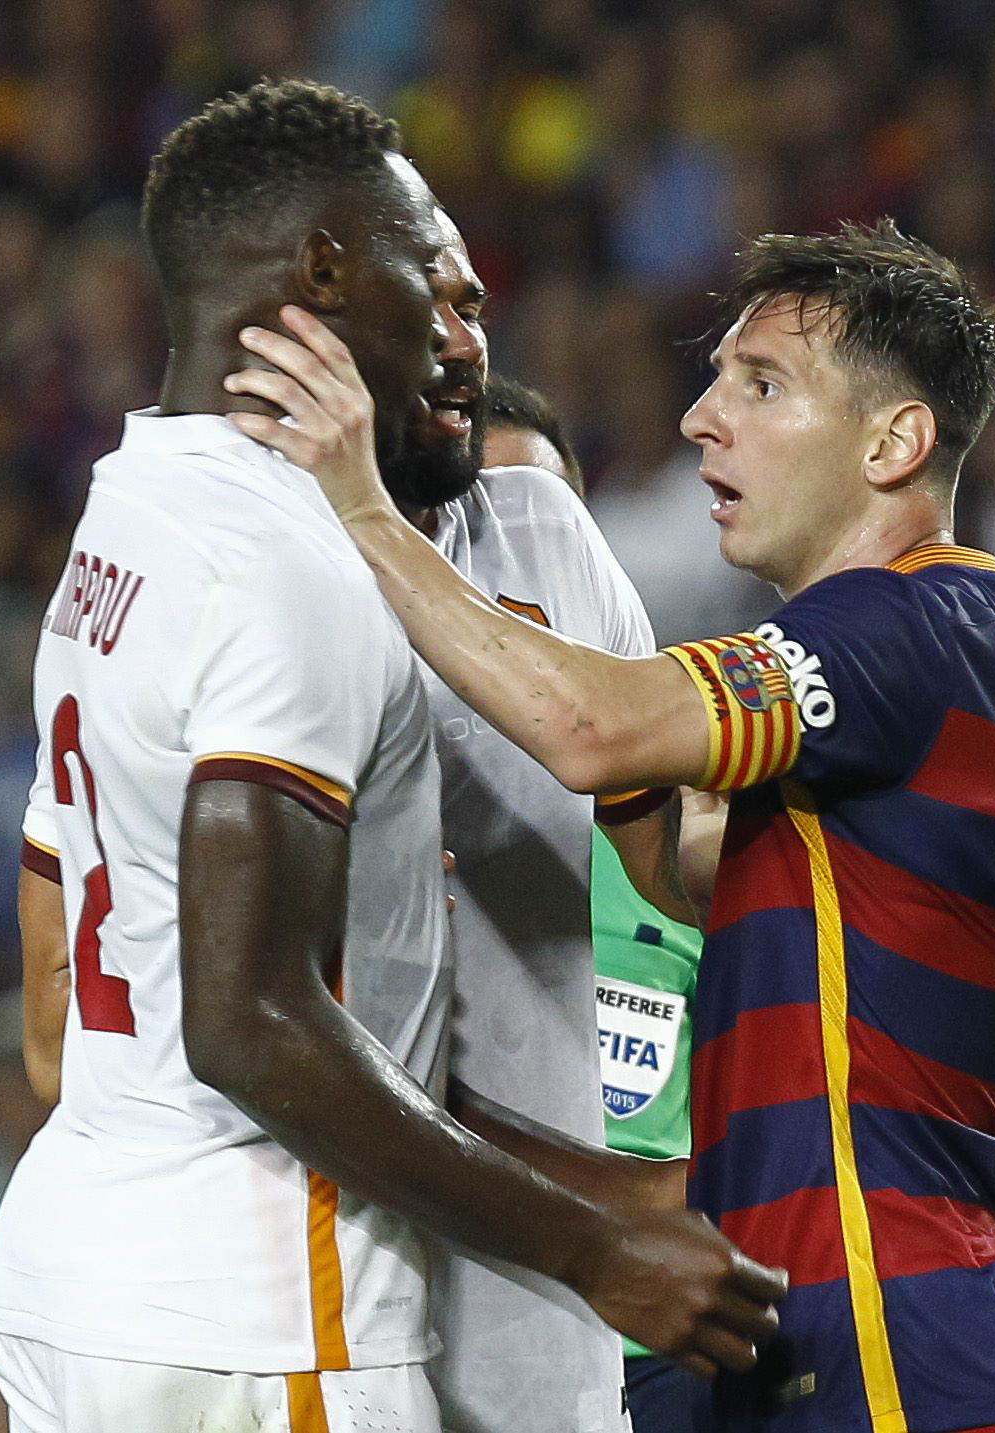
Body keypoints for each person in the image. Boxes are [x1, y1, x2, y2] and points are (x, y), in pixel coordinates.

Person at [227, 219, 995, 1431]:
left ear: (894, 441)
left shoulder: (905, 623)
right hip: (975, 1332)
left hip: (901, 1350)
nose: (702, 418)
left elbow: (592, 730)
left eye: (762, 384)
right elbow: (696, 871)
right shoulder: (981, 661)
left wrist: (363, 511)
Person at [0, 79, 782, 1433]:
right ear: (323, 271)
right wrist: (597, 1234)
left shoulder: (124, 527)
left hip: (91, 1282)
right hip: (264, 1300)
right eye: (445, 290)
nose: (468, 334)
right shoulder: (291, 558)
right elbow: (253, 1023)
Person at [381, 228, 698, 1433]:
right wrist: (606, 1201)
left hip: (604, 1328)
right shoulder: (273, 599)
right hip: (349, 1284)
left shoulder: (663, 860)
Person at [482, 377, 708, 1433]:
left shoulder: (687, 829)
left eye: (546, 519)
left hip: (664, 1349)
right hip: (471, 1337)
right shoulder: (383, 816)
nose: (517, 560)